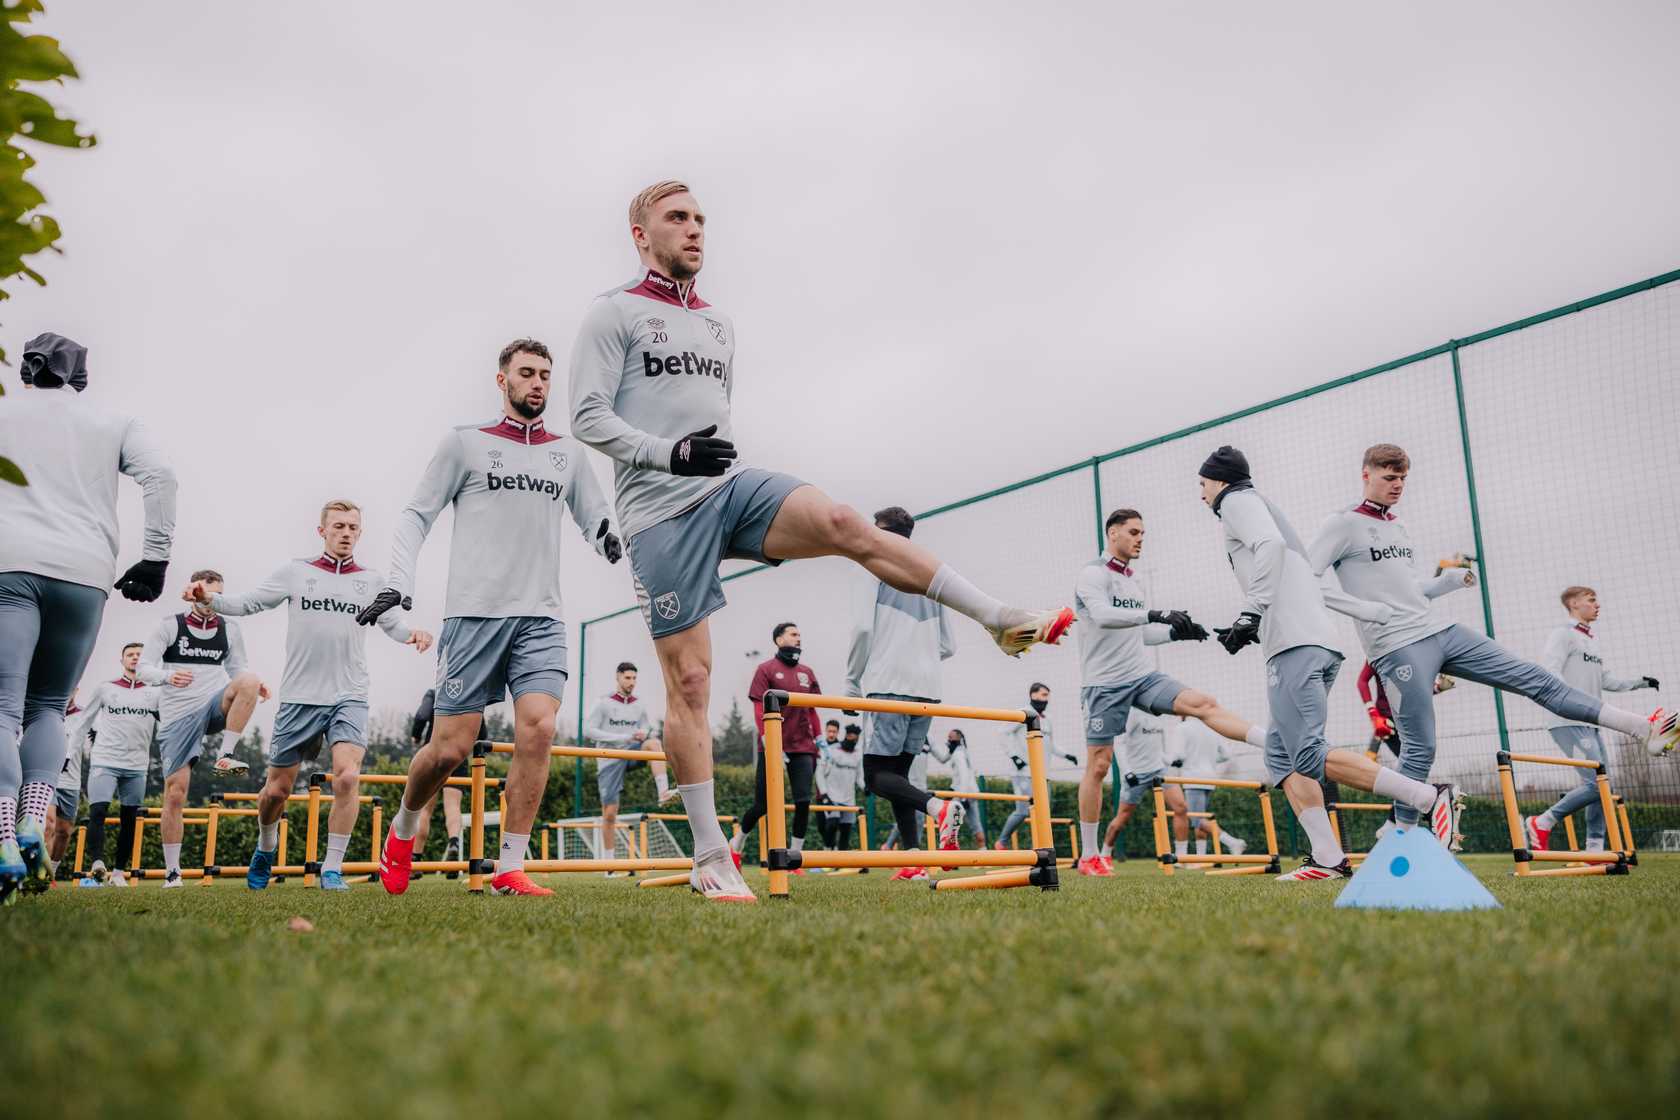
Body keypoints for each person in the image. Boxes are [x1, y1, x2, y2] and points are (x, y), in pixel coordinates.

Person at [566, 181, 1072, 901]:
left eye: (702, 218)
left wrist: (702, 460)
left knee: (843, 522)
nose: (696, 230)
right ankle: (711, 857)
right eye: (678, 218)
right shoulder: (613, 313)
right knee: (692, 682)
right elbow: (585, 417)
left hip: (727, 487)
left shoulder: (719, 326)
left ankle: (998, 617)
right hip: (657, 513)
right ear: (640, 233)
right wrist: (667, 455)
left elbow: (714, 418)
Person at [1307, 443, 1677, 849]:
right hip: (1396, 646)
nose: (1397, 485)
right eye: (1389, 477)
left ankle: (1645, 728)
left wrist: (1447, 582)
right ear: (1366, 474)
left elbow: (1411, 590)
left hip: (1442, 629)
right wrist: (1362, 609)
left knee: (1536, 679)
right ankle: (1400, 835)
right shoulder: (1341, 524)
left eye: (1403, 479)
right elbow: (1307, 578)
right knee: (1420, 748)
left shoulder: (1399, 527)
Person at [359, 338, 621, 897]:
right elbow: (413, 516)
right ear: (501, 381)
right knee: (451, 748)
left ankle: (509, 866)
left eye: (546, 375)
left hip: (540, 619)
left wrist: (613, 544)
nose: (538, 383)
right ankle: (403, 830)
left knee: (540, 727)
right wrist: (398, 583)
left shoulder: (567, 454)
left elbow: (596, 518)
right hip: (473, 618)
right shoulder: (465, 445)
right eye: (527, 373)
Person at [1199, 444, 1460, 881]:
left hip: (1296, 644)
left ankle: (1428, 797)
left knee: (1308, 752)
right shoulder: (1259, 504)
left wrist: (1252, 612)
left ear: (1220, 480)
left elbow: (1270, 546)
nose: (1201, 493)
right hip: (1309, 640)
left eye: (1203, 484)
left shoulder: (1236, 500)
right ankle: (1327, 858)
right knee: (1282, 756)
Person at [0, 332, 176, 901]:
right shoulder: (114, 420)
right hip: (83, 572)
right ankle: (33, 817)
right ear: (79, 375)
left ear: (28, 370)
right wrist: (155, 557)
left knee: (2, 709)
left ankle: (2, 833)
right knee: (49, 706)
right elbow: (162, 478)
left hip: (7, 563)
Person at [188, 500, 432, 891]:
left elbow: (391, 623)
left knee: (348, 777)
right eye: (338, 526)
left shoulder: (372, 581)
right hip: (300, 697)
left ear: (360, 533)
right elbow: (250, 602)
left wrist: (412, 634)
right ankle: (266, 846)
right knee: (276, 791)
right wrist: (209, 599)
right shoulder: (296, 572)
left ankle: (331, 868)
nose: (346, 533)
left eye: (353, 527)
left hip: (349, 694)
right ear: (322, 531)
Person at [1073, 507, 1271, 878]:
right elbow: (1101, 616)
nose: (1139, 539)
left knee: (1203, 703)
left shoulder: (1133, 583)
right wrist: (1155, 614)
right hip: (1103, 682)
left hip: (1142, 675)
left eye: (1143, 534)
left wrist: (1177, 632)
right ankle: (1089, 856)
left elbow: (1139, 633)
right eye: (1133, 532)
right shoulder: (1092, 575)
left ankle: (1271, 741)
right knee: (1099, 765)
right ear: (1112, 533)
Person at [842, 506, 973, 882]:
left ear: (878, 531)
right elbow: (948, 646)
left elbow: (863, 630)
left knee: (876, 777)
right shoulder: (924, 571)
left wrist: (852, 681)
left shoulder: (870, 564)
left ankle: (939, 809)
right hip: (928, 690)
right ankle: (914, 859)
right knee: (898, 774)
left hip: (888, 685)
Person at [137, 571, 267, 887]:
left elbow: (238, 669)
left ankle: (226, 755)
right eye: (206, 593)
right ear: (194, 592)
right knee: (175, 794)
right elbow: (143, 668)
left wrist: (256, 685)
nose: (211, 601)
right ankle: (173, 872)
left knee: (248, 680)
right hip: (177, 716)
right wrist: (167, 677)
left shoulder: (230, 628)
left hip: (212, 705)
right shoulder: (171, 625)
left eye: (217, 595)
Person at [1523, 586, 1660, 852]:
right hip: (1566, 720)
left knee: (1602, 784)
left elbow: (1606, 680)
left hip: (1591, 722)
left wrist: (1640, 683)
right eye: (1591, 600)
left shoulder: (1592, 641)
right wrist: (1569, 701)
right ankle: (1542, 822)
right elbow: (1550, 671)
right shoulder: (1563, 635)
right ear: (1574, 603)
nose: (1598, 604)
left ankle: (1594, 850)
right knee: (1595, 784)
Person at [735, 623, 824, 870]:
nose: (798, 638)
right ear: (778, 640)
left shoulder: (807, 672)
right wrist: (766, 737)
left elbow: (812, 708)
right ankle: (737, 843)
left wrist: (819, 738)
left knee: (804, 801)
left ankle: (794, 858)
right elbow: (757, 706)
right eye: (793, 634)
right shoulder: (765, 669)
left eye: (800, 634)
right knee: (762, 804)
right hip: (773, 746)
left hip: (803, 746)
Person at [69, 644, 159, 886]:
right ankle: (98, 863)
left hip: (137, 766)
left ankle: (119, 873)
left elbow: (171, 724)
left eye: (139, 655)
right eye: (130, 655)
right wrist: (69, 755)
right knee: (97, 812)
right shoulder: (106, 689)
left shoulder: (155, 693)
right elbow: (83, 723)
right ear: (122, 661)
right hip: (104, 761)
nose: (134, 658)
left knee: (129, 819)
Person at [586, 661, 670, 876]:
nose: (631, 682)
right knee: (610, 814)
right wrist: (622, 737)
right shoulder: (603, 703)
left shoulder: (639, 704)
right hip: (609, 759)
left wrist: (643, 731)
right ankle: (609, 867)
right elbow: (589, 730)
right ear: (618, 677)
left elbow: (647, 725)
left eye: (634, 678)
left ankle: (663, 792)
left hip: (632, 752)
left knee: (654, 743)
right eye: (627, 678)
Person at [407, 688, 482, 880]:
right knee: (452, 806)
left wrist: (416, 735)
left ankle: (415, 860)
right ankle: (454, 843)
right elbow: (483, 730)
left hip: (435, 753)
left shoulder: (434, 693)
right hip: (459, 756)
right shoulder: (470, 692)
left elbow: (421, 715)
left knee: (424, 810)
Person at [994, 683, 1079, 849]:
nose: (1046, 699)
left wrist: (1067, 755)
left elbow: (1051, 744)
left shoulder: (1047, 720)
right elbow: (1002, 733)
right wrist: (1014, 757)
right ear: (1033, 695)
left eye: (1048, 696)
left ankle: (1042, 848)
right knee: (1023, 811)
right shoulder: (1023, 713)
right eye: (1043, 695)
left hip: (1043, 774)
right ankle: (1002, 842)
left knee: (1044, 812)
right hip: (1024, 772)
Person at [1164, 715, 1250, 860]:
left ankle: (1233, 842)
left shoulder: (1182, 728)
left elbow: (1178, 755)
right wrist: (1210, 761)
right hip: (1210, 778)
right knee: (1201, 817)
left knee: (1196, 820)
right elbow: (1227, 754)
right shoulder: (1211, 728)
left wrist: (1166, 760)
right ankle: (1201, 857)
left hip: (1193, 778)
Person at [1098, 711, 1175, 862]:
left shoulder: (1160, 716)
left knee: (1180, 807)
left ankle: (1181, 856)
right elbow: (1119, 743)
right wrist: (1127, 772)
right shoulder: (1132, 714)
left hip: (1159, 771)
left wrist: (1170, 761)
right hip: (1136, 774)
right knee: (1122, 818)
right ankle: (1104, 855)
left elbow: (1161, 749)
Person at [45, 692, 89, 885]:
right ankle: (40, 874)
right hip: (48, 780)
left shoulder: (85, 716)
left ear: (77, 689)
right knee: (48, 825)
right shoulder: (45, 712)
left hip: (71, 784)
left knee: (64, 831)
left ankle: (51, 873)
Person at [929, 728, 987, 848]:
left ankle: (952, 850)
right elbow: (946, 761)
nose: (948, 740)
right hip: (969, 792)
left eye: (951, 737)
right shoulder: (962, 751)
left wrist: (962, 796)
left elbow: (964, 774)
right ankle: (983, 849)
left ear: (959, 738)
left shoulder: (958, 753)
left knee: (950, 823)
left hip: (963, 794)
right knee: (975, 823)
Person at [814, 722, 863, 850]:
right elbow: (819, 772)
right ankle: (827, 854)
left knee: (846, 829)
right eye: (850, 735)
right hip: (832, 796)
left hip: (849, 799)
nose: (852, 739)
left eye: (855, 737)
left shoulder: (858, 754)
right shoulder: (831, 750)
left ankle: (841, 862)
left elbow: (860, 778)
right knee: (831, 824)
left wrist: (866, 787)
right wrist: (824, 793)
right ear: (846, 735)